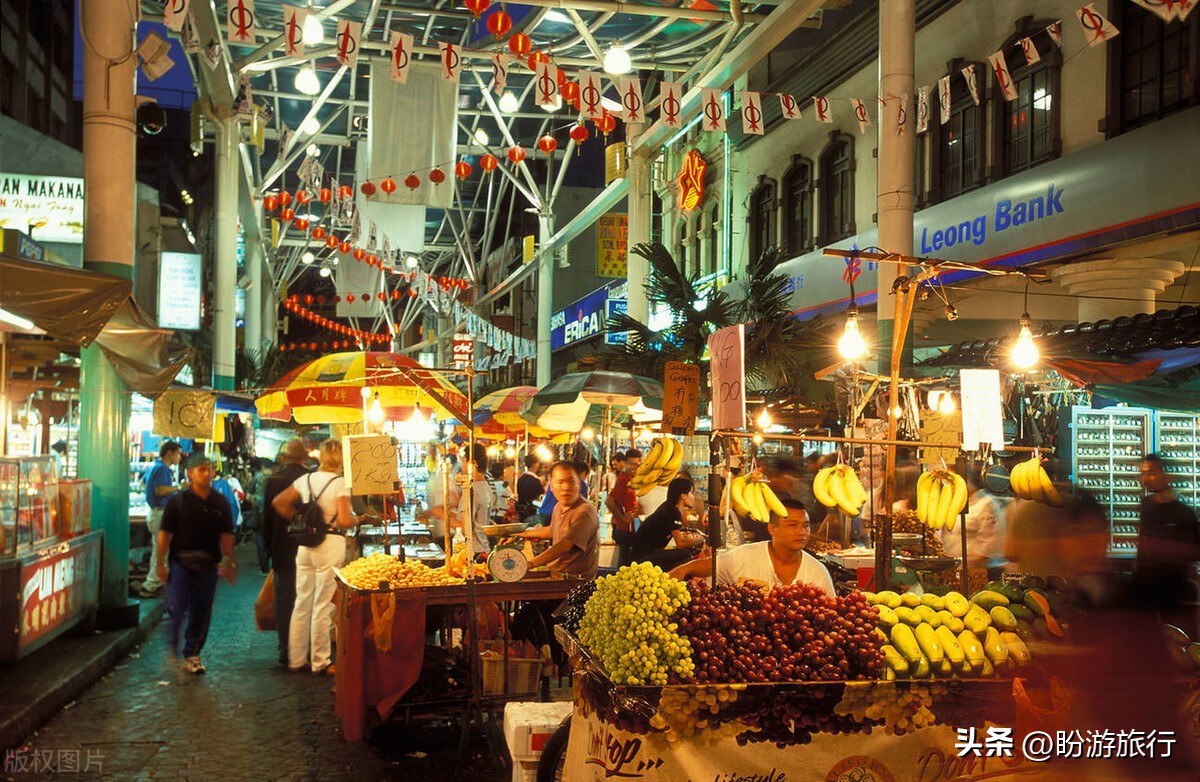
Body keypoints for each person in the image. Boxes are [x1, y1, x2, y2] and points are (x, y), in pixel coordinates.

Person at [272, 439, 368, 675]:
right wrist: (359, 519)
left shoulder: (306, 479)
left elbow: (279, 502)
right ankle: (320, 661)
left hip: (305, 545)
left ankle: (296, 660)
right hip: (330, 542)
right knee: (322, 604)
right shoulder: (339, 482)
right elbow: (344, 520)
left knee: (302, 602)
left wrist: (299, 520)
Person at [155, 452, 235, 675]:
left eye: (209, 469)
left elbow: (226, 534)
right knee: (177, 607)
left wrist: (229, 560)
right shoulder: (178, 502)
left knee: (201, 609)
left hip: (208, 564)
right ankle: (172, 649)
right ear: (190, 473)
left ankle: (192, 653)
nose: (207, 474)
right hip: (180, 563)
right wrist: (160, 563)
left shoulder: (219, 502)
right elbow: (165, 535)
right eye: (202, 470)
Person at [670, 499, 835, 595]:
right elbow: (713, 565)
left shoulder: (817, 572)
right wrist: (684, 569)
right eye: (793, 525)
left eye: (806, 526)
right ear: (772, 529)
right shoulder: (746, 556)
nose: (802, 532)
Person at [262, 439, 310, 666]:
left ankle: (286, 648)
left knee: (284, 600)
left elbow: (266, 518)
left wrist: (266, 551)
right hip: (307, 545)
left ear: (284, 457)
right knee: (306, 598)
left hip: (280, 547)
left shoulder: (273, 480)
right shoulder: (309, 478)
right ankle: (303, 649)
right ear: (304, 457)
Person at [1135, 454, 1200, 622]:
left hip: (1173, 595)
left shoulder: (1184, 514)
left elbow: (1193, 554)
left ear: (1168, 475)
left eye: (1151, 473)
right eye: (1143, 473)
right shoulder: (1146, 505)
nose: (1145, 479)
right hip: (1145, 592)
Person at [519, 461, 599, 578]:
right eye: (560, 482)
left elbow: (565, 545)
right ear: (551, 486)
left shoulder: (584, 511)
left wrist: (529, 564)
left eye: (571, 482)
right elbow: (553, 530)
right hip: (556, 575)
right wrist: (520, 534)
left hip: (574, 582)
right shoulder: (558, 507)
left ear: (578, 484)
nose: (566, 487)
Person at [942, 468, 1006, 577]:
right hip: (953, 571)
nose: (948, 486)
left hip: (977, 574)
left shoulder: (985, 505)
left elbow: (988, 549)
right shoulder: (952, 504)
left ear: (965, 481)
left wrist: (962, 564)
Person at [631, 477, 706, 569]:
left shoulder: (669, 507)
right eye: (691, 493)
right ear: (683, 496)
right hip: (642, 559)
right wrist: (703, 539)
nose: (693, 497)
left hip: (646, 555)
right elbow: (681, 543)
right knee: (685, 554)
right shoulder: (672, 511)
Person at [140, 441, 185, 598]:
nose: (180, 457)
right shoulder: (162, 469)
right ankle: (150, 585)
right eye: (178, 453)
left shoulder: (155, 466)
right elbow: (160, 491)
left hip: (155, 513)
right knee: (162, 552)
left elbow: (143, 483)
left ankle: (157, 583)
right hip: (160, 514)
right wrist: (179, 487)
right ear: (169, 453)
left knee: (159, 551)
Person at [452, 444, 494, 556]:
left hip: (474, 551)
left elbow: (465, 528)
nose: (462, 467)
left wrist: (442, 515)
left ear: (473, 464)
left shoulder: (472, 490)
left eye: (463, 462)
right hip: (484, 548)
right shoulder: (486, 487)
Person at [605, 447, 642, 566]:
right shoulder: (623, 480)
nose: (635, 467)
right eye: (632, 464)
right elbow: (609, 502)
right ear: (625, 463)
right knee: (625, 564)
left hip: (630, 528)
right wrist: (622, 518)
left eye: (637, 464)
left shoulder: (633, 479)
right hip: (624, 530)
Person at [515, 455, 544, 523]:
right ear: (535, 464)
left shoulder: (521, 479)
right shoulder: (535, 481)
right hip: (532, 513)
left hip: (522, 513)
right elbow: (539, 497)